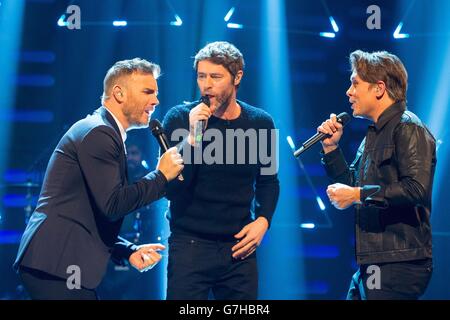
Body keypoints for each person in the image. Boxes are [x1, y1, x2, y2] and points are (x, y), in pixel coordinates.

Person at [13, 58, 184, 300]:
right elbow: (113, 204)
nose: (155, 100)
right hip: (56, 264)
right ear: (119, 93)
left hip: (56, 264)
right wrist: (161, 176)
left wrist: (127, 250)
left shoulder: (103, 130)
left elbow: (90, 212)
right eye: (148, 92)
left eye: (155, 93)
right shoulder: (99, 133)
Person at [162, 41, 280, 300]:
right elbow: (173, 187)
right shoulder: (179, 118)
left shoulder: (260, 123)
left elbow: (268, 182)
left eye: (215, 77)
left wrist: (263, 220)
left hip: (239, 248)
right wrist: (192, 138)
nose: (207, 84)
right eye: (201, 76)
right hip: (190, 245)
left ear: (237, 77)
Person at [318, 50, 436, 300]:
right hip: (373, 262)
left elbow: (416, 188)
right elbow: (351, 185)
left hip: (400, 262)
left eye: (355, 83)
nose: (348, 92)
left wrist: (357, 194)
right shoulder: (373, 134)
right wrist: (331, 148)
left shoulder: (407, 127)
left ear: (379, 88)